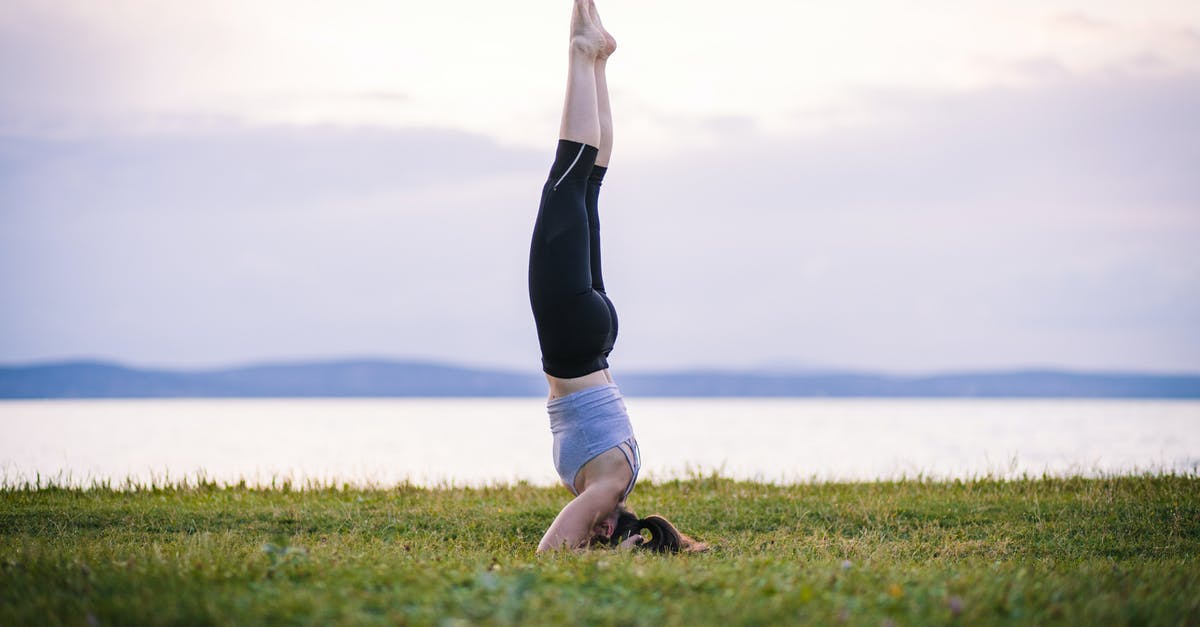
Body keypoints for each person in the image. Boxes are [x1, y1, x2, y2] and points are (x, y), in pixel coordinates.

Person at [528, 0, 706, 554]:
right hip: (576, 341)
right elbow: (548, 554)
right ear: (614, 528)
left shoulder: (618, 477)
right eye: (607, 534)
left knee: (585, 186)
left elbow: (578, 537)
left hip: (596, 340)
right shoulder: (607, 488)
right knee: (569, 177)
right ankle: (585, 56)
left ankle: (596, 61)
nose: (596, 530)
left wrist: (616, 546)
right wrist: (602, 554)